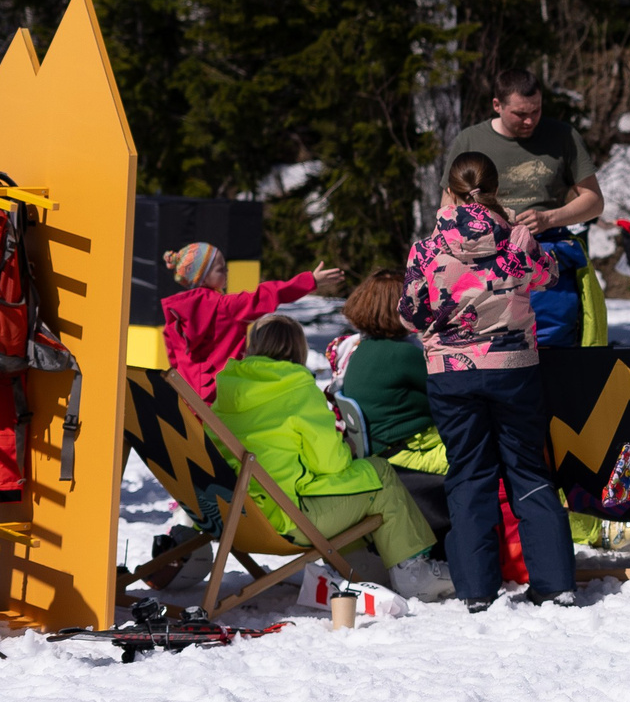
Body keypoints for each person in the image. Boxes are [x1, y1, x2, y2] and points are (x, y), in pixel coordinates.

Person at [398, 152, 576, 611]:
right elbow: (550, 275)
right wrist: (525, 247)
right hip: (513, 368)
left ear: (450, 192)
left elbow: (409, 315)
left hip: (451, 374)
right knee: (527, 468)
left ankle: (476, 589)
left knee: (469, 473)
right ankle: (554, 583)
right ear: (496, 189)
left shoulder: (426, 249)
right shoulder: (516, 239)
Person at [213, 315, 452, 601]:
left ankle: (360, 565)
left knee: (345, 483)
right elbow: (331, 464)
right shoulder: (296, 388)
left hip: (241, 516)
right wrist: (346, 447)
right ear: (299, 349)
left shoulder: (229, 388)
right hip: (287, 519)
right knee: (378, 473)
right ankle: (414, 572)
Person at [450, 69, 606, 347]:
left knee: (553, 352)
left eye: (536, 111)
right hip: (485, 264)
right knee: (493, 350)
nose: (530, 120)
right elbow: (448, 206)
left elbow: (594, 201)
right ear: (497, 105)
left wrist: (549, 218)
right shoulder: (470, 140)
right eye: (520, 113)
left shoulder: (563, 136)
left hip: (547, 261)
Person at [328, 269, 449, 529]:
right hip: (410, 456)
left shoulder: (360, 351)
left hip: (384, 452)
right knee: (490, 455)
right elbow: (450, 392)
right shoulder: (403, 355)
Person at [159, 241, 347, 404]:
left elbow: (174, 359)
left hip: (188, 398)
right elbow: (269, 294)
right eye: (220, 268)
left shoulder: (176, 315)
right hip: (222, 398)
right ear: (201, 277)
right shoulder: (226, 307)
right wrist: (310, 281)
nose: (226, 270)